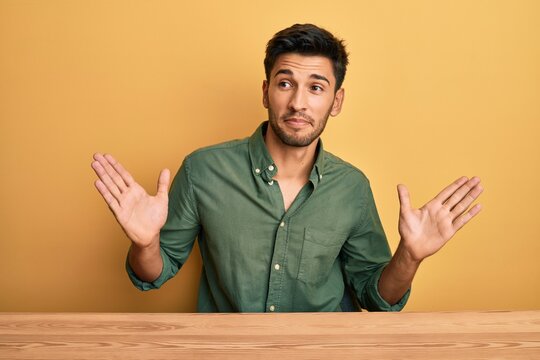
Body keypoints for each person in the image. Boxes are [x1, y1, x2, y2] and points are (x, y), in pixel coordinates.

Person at [91, 24, 483, 312]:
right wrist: (145, 244)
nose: (298, 103)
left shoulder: (352, 188)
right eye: (284, 83)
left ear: (336, 101)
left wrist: (409, 257)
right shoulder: (202, 171)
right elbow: (153, 274)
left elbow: (376, 296)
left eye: (316, 87)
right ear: (265, 92)